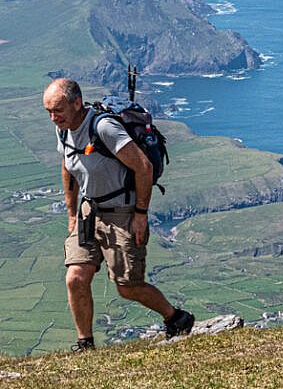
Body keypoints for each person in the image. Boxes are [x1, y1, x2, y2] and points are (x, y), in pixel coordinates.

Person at [43, 78, 194, 351]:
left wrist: (141, 214)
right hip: (89, 211)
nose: (54, 118)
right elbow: (68, 165)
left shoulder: (104, 127)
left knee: (127, 286)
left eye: (59, 110)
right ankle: (84, 344)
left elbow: (144, 167)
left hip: (122, 212)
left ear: (77, 103)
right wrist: (72, 213)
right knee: (75, 277)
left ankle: (176, 318)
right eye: (49, 112)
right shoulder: (63, 129)